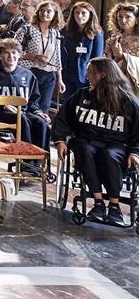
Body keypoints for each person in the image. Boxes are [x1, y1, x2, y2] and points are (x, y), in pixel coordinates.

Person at [53, 58, 139, 227]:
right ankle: (98, 202)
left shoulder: (127, 101)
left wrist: (135, 152)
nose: (87, 75)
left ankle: (114, 206)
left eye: (91, 72)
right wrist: (60, 140)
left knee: (109, 155)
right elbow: (63, 118)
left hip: (116, 145)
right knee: (85, 150)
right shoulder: (82, 95)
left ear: (104, 74)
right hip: (86, 140)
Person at [0, 39, 50, 162]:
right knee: (21, 119)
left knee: (41, 123)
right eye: (6, 52)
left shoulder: (28, 75)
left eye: (14, 52)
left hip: (24, 112)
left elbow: (33, 100)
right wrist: (3, 106)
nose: (11, 56)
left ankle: (39, 164)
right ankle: (26, 162)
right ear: (0, 54)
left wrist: (38, 111)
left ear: (19, 55)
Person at [14, 0, 65, 111]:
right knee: (26, 105)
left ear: (54, 14)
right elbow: (13, 52)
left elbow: (57, 57)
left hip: (48, 74)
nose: (44, 13)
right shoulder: (26, 29)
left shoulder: (55, 33)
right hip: (29, 71)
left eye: (48, 11)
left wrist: (59, 79)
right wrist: (35, 57)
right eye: (42, 11)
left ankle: (42, 128)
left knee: (44, 106)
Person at [61, 2, 104, 99]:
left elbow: (97, 57)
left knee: (83, 103)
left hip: (86, 75)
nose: (79, 16)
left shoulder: (97, 32)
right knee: (68, 102)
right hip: (67, 74)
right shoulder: (66, 30)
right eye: (77, 13)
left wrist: (93, 76)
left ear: (90, 15)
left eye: (83, 13)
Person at [105, 2, 139, 90]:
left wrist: (122, 56)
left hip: (135, 81)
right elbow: (108, 61)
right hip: (116, 80)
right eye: (120, 17)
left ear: (136, 20)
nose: (123, 20)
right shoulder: (115, 37)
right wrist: (108, 52)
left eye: (128, 17)